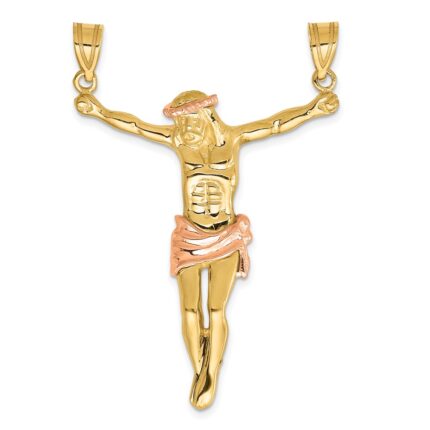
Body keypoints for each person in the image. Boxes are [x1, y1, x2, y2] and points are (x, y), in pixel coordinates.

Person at [75, 89, 338, 409]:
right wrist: (99, 111)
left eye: (189, 120)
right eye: (180, 122)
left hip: (226, 235)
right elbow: (136, 126)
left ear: (207, 116)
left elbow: (275, 125)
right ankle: (200, 369)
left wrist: (314, 109)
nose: (184, 128)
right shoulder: (179, 142)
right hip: (189, 235)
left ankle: (211, 371)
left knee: (215, 309)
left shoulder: (233, 138)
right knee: (188, 309)